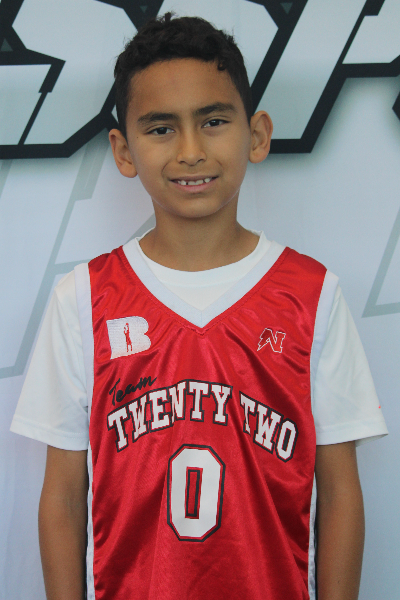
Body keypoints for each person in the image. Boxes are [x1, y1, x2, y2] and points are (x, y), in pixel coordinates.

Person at [11, 13, 388, 600]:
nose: (190, 151)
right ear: (124, 150)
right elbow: (62, 497)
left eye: (213, 121)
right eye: (161, 128)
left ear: (256, 134)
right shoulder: (83, 299)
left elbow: (339, 492)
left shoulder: (312, 295)